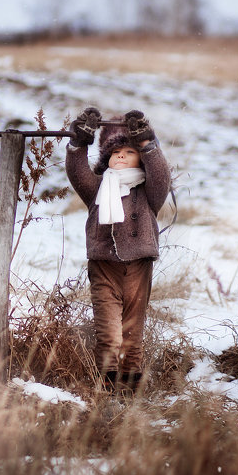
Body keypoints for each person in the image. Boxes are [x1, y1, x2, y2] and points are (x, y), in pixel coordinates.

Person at [65, 107, 171, 392]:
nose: (121, 155)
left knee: (132, 331)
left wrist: (148, 144)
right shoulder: (98, 187)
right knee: (108, 331)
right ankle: (108, 387)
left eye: (129, 151)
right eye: (115, 152)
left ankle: (132, 387)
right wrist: (78, 144)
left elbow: (161, 174)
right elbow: (77, 173)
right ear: (107, 159)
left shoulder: (149, 191)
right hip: (104, 265)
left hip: (138, 264)